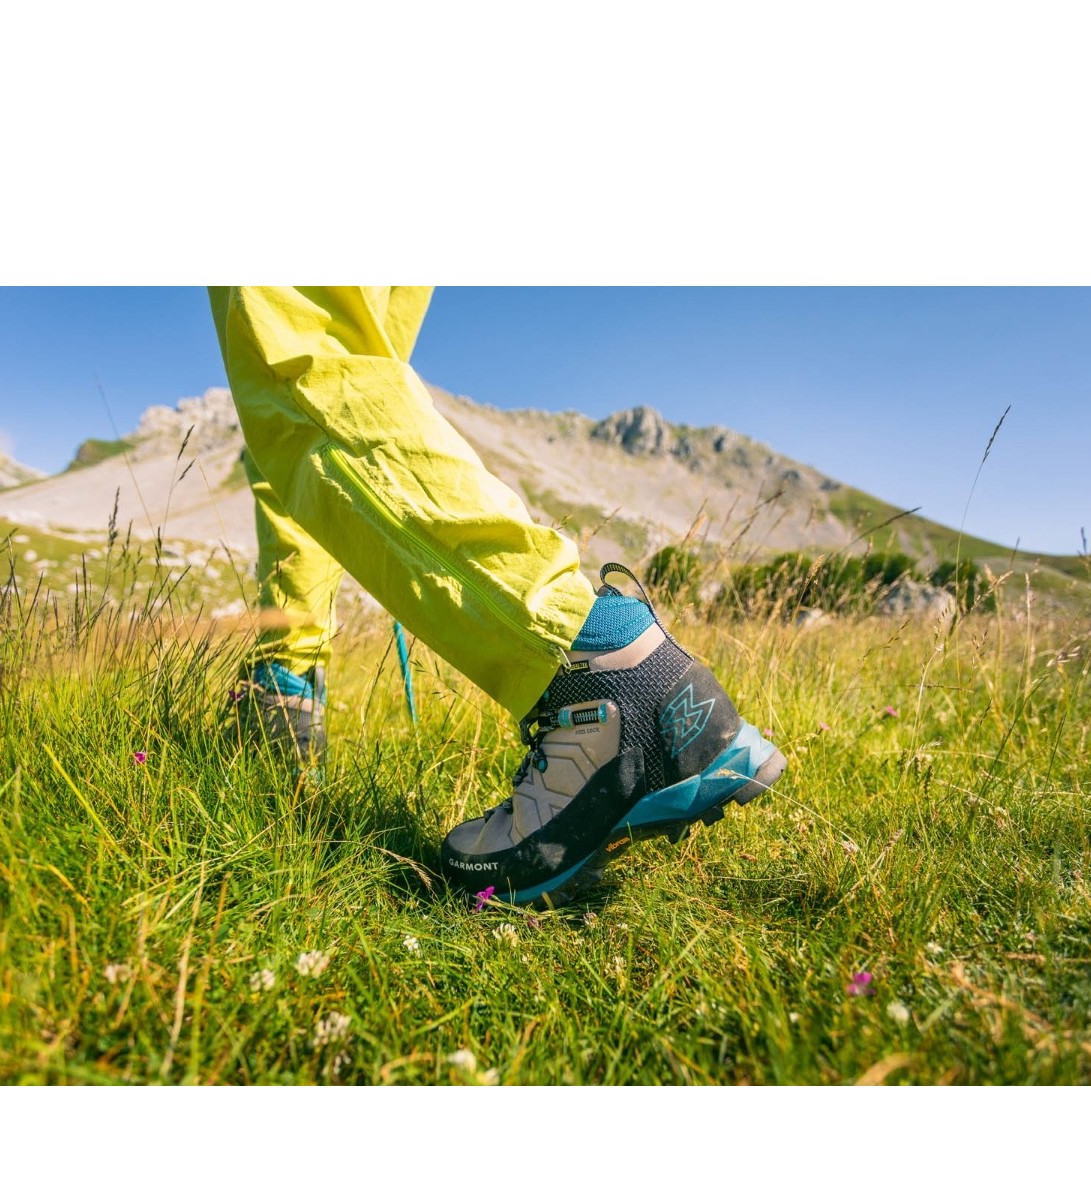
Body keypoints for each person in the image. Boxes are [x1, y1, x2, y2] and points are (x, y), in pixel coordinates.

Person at [209, 287, 785, 909]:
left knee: (298, 365)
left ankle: (596, 668)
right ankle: (284, 677)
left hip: (592, 666)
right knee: (340, 375)